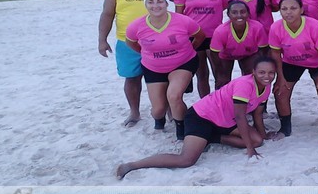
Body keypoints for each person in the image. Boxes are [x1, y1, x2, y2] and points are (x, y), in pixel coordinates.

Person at [116, 57, 277, 179]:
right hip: (202, 116)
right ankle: (132, 165)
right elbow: (240, 116)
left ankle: (212, 137)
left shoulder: (266, 86)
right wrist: (250, 148)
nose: (267, 76)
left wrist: (263, 135)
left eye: (271, 73)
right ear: (253, 72)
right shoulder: (245, 84)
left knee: (257, 140)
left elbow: (257, 113)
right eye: (262, 72)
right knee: (186, 160)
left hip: (225, 120)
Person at [98, 0, 176, 127]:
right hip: (127, 42)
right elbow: (107, 14)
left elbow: (181, 0)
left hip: (159, 41)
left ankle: (172, 111)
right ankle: (134, 112)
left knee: (164, 78)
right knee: (132, 78)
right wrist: (102, 40)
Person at [126, 0, 205, 139]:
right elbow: (131, 43)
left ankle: (181, 131)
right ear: (145, 5)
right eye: (151, 2)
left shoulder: (183, 21)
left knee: (174, 96)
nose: (155, 6)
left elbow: (199, 36)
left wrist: (188, 50)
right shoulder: (136, 26)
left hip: (182, 63)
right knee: (158, 109)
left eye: (160, 1)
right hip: (153, 68)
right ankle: (159, 120)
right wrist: (148, 55)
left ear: (167, 3)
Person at [269, 0, 318, 141]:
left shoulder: (313, 25)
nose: (289, 12)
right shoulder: (276, 27)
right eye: (284, 9)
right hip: (291, 62)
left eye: (293, 8)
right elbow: (276, 54)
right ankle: (285, 128)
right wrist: (280, 78)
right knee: (280, 92)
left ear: (301, 10)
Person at [174, 0, 235, 98]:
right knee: (201, 74)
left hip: (215, 36)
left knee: (220, 74)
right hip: (194, 37)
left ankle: (222, 103)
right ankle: (206, 105)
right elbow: (179, 17)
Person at [210, 1, 269, 89]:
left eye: (243, 12)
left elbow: (263, 49)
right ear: (228, 15)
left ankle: (251, 99)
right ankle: (221, 101)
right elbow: (214, 53)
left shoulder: (257, 27)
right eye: (234, 12)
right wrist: (220, 71)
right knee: (222, 80)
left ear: (248, 13)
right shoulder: (221, 31)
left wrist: (259, 66)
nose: (239, 15)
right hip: (226, 55)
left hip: (249, 54)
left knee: (252, 78)